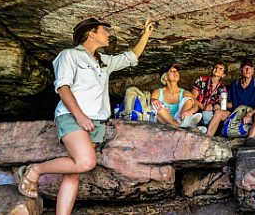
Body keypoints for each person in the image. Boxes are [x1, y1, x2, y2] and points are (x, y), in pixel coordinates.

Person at [14, 17, 154, 215]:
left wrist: (146, 34)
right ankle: (34, 170)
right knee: (86, 162)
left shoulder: (103, 61)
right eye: (103, 31)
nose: (108, 34)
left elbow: (130, 57)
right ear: (91, 33)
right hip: (72, 116)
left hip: (97, 121)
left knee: (73, 173)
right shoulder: (69, 55)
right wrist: (79, 116)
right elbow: (63, 88)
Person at [206, 58, 255, 146]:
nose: (247, 70)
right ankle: (207, 138)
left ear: (253, 71)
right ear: (241, 70)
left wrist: (250, 114)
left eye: (250, 68)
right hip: (236, 113)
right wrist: (223, 103)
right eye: (245, 68)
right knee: (218, 113)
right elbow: (231, 105)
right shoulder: (235, 84)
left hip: (251, 114)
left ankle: (250, 138)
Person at [150, 63, 202, 129]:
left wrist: (190, 111)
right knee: (157, 108)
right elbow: (152, 101)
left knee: (188, 99)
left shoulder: (185, 92)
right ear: (165, 78)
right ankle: (181, 126)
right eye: (171, 71)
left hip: (180, 119)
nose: (175, 72)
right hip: (163, 122)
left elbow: (196, 105)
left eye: (176, 71)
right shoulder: (158, 92)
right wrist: (154, 100)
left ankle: (184, 122)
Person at [186, 62, 229, 136]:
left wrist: (219, 106)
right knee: (201, 114)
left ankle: (205, 130)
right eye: (216, 67)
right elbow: (192, 98)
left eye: (220, 69)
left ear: (223, 75)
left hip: (208, 115)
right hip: (197, 110)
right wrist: (203, 106)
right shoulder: (201, 80)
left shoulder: (223, 88)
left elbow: (223, 106)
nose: (217, 69)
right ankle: (196, 126)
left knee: (208, 115)